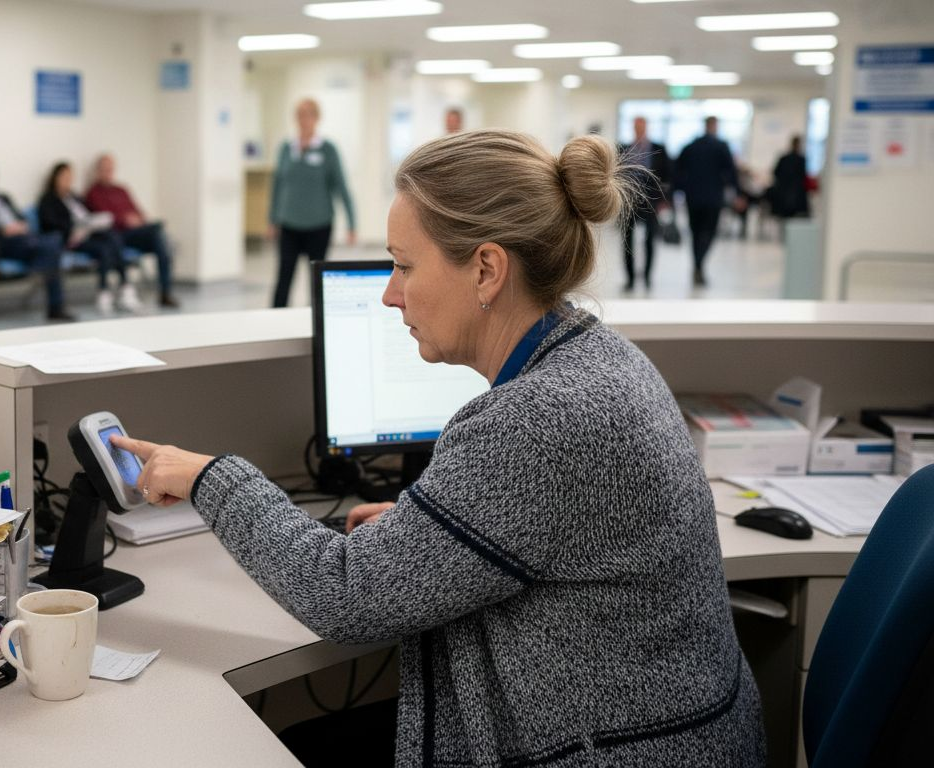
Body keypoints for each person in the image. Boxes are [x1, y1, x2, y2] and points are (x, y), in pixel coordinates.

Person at [113, 130, 766, 767]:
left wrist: (212, 479)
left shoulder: (531, 423)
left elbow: (346, 596)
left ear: (486, 268)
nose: (389, 294)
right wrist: (426, 528)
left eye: (403, 265)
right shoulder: (596, 354)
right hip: (671, 731)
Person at [268, 98, 356, 308]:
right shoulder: (286, 148)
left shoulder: (327, 150)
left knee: (316, 277)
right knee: (284, 275)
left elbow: (341, 187)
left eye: (308, 114)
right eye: (299, 114)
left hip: (319, 225)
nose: (303, 119)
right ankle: (274, 318)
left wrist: (352, 223)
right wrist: (272, 219)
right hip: (288, 224)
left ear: (317, 118)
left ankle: (317, 320)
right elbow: (277, 186)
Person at [0, 162, 73, 322]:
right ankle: (55, 307)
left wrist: (21, 225)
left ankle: (39, 267)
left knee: (53, 241)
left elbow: (21, 217)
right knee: (51, 248)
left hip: (20, 238)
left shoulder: (3, 197)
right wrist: (2, 230)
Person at [38, 161, 140, 314]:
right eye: (64, 177)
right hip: (71, 240)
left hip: (89, 234)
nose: (68, 180)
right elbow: (49, 225)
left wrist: (91, 224)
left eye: (70, 177)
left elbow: (88, 216)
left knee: (113, 238)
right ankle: (105, 291)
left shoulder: (75, 198)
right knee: (105, 249)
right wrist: (73, 230)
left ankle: (124, 287)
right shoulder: (48, 200)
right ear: (55, 178)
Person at [85, 153, 179, 308]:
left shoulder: (122, 190)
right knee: (153, 233)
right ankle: (126, 287)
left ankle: (165, 292)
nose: (108, 172)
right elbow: (105, 218)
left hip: (135, 232)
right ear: (98, 170)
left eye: (110, 169)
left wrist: (139, 219)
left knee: (161, 239)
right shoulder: (93, 192)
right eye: (104, 169)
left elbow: (137, 211)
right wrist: (125, 220)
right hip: (117, 235)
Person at [674, 116, 746, 288]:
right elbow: (731, 172)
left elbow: (677, 171)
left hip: (693, 197)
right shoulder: (721, 147)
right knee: (709, 232)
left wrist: (680, 190)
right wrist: (738, 193)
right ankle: (699, 264)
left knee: (695, 233)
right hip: (713, 198)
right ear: (713, 126)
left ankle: (697, 264)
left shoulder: (690, 147)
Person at [618, 116, 672, 290]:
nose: (639, 130)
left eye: (641, 127)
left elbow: (668, 176)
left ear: (646, 128)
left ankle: (647, 276)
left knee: (650, 239)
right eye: (636, 127)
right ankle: (630, 278)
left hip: (651, 200)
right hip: (629, 201)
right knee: (627, 241)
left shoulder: (659, 149)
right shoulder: (623, 149)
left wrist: (665, 200)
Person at [771, 135, 810, 220]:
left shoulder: (784, 158)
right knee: (793, 220)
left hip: (782, 195)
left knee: (783, 218)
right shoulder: (801, 160)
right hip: (796, 196)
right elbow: (803, 176)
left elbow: (775, 173)